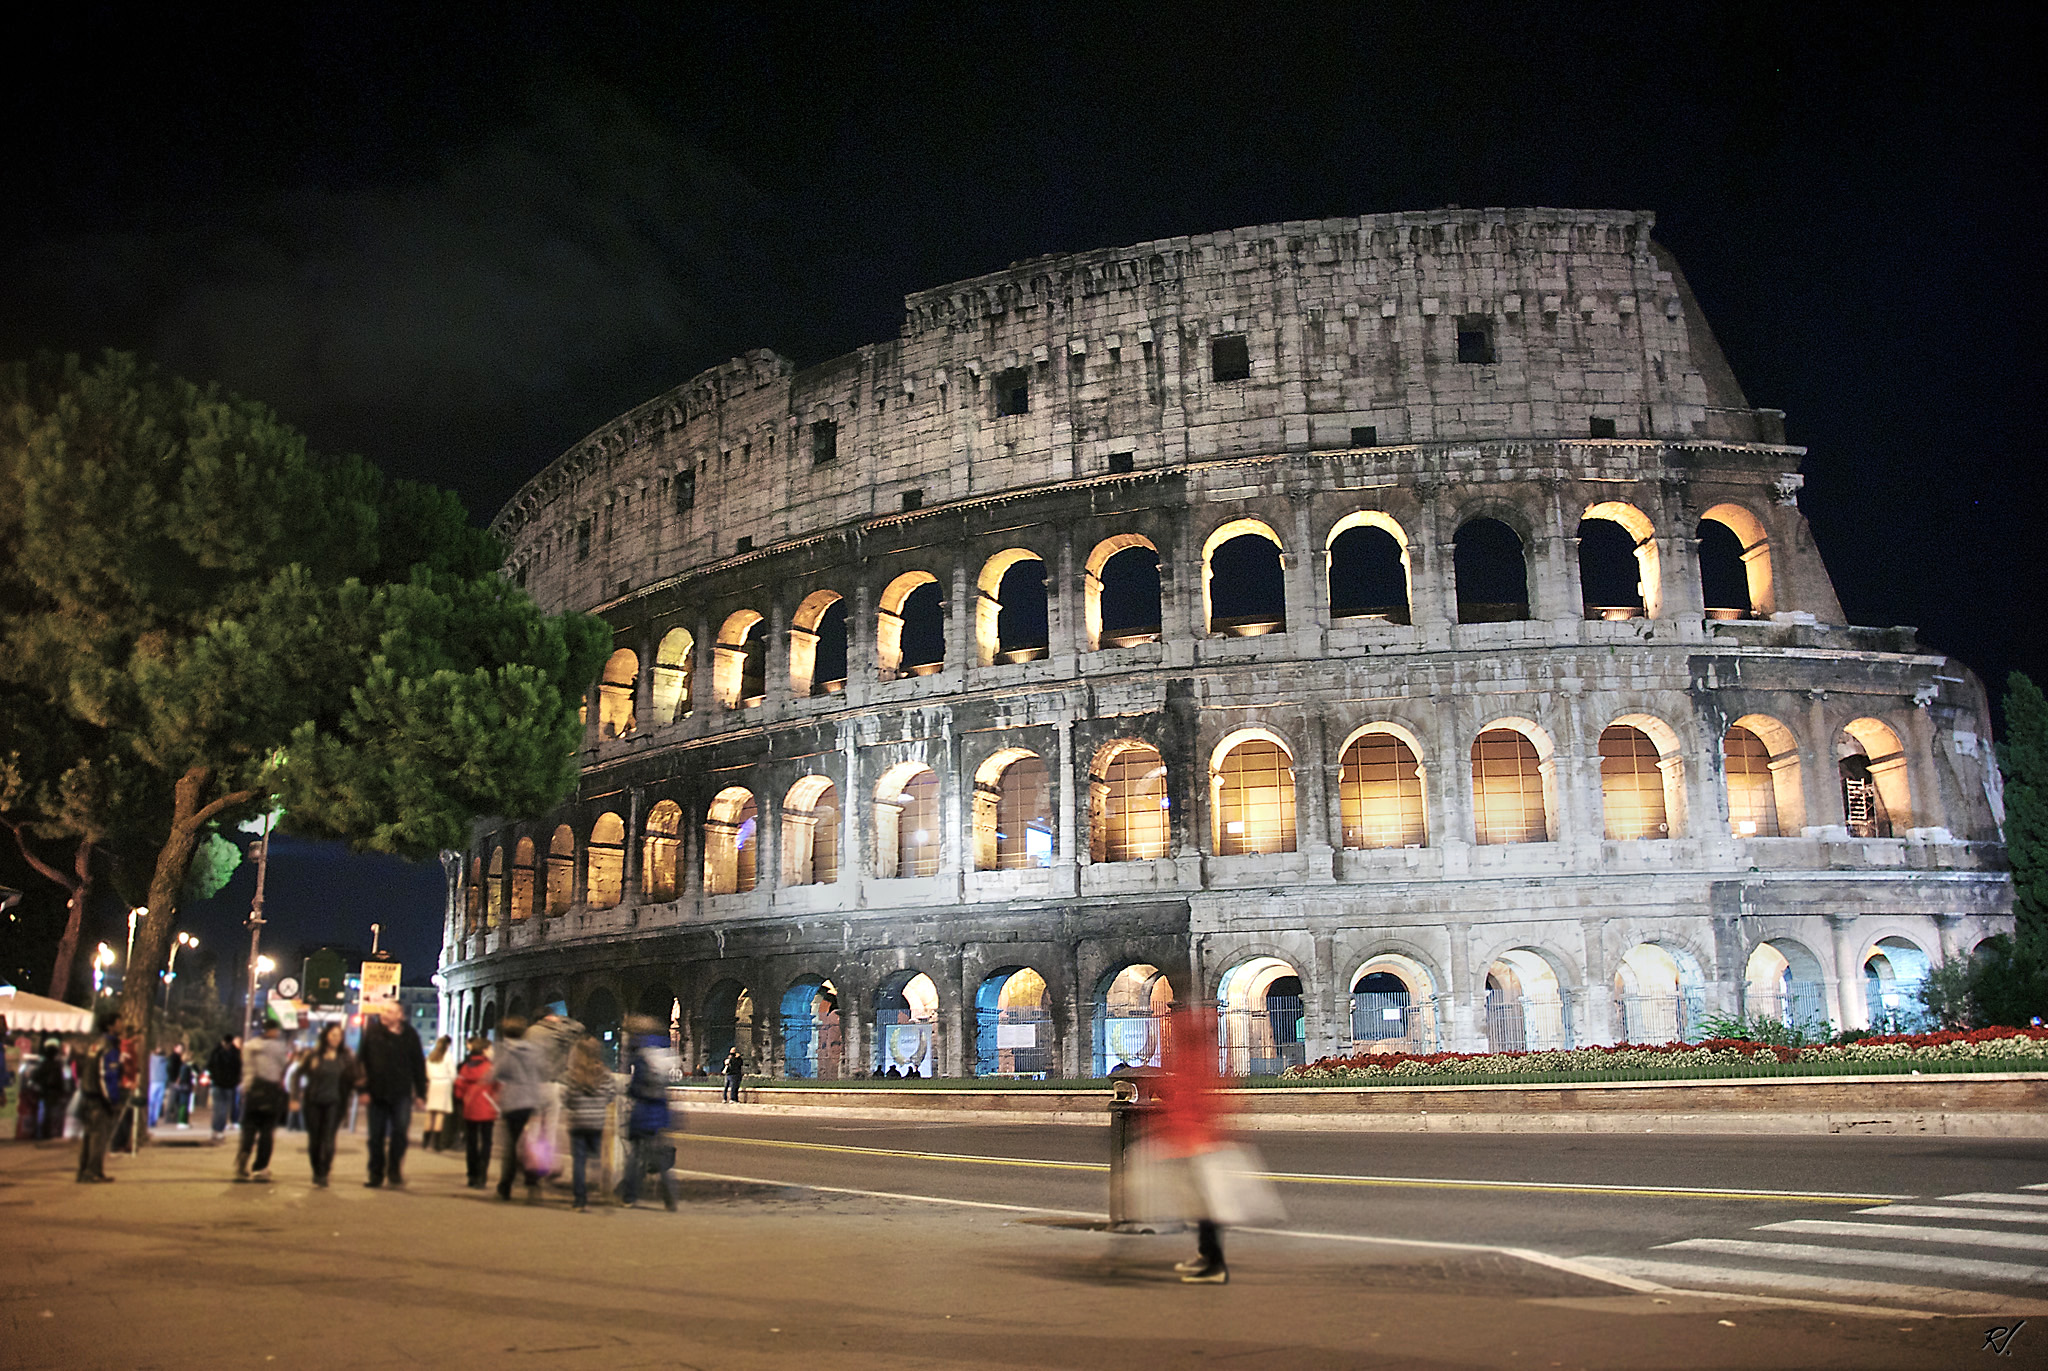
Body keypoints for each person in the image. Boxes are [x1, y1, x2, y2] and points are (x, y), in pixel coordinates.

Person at [1157, 1004, 1228, 1283]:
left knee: (1203, 1204)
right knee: (1199, 1204)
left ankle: (1213, 1263)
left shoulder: (1192, 1060)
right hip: (1194, 1139)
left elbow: (1194, 1102)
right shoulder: (1195, 1059)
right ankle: (1206, 1256)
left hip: (1195, 1141)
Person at [357, 1001, 428, 1189]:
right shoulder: (372, 1032)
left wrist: (421, 1094)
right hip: (376, 1092)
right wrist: (362, 1090)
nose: (384, 1014)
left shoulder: (409, 1035)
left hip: (401, 1093)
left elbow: (418, 1065)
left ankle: (394, 1170)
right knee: (376, 1137)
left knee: (400, 1133)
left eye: (389, 1011)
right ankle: (375, 1174)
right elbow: (361, 1062)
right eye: (383, 1010)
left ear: (400, 1015)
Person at [619, 1014, 679, 1211]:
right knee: (659, 1156)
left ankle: (629, 1195)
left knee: (635, 1156)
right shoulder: (665, 1051)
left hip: (643, 1112)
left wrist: (630, 1090)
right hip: (661, 1112)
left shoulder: (641, 1053)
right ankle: (670, 1196)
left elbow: (638, 1086)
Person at [492, 1017, 547, 1202]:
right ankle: (532, 1180)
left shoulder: (506, 1050)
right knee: (526, 1144)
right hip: (531, 1100)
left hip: (513, 1102)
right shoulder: (533, 1051)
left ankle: (505, 1185)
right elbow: (538, 1073)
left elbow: (497, 1073)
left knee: (511, 1145)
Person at [296, 1023, 358, 1187]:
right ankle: (316, 1170)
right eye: (333, 1035)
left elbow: (354, 1078)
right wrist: (294, 1098)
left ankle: (325, 1171)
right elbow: (297, 1075)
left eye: (339, 1035)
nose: (336, 1038)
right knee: (315, 1140)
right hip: (313, 1102)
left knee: (329, 1138)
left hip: (335, 1103)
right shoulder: (314, 1056)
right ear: (326, 1036)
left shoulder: (345, 1058)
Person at [562, 1035, 616, 1212]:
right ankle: (600, 1190)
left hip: (578, 1122)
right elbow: (610, 1094)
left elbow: (566, 1098)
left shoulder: (573, 1075)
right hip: (596, 1122)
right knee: (596, 1158)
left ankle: (580, 1199)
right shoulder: (605, 1074)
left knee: (579, 1161)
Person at [236, 1015, 292, 1182]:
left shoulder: (250, 1046)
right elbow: (283, 1065)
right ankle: (260, 1167)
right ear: (273, 1031)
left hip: (254, 1090)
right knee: (267, 1131)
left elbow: (247, 1069)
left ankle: (245, 1153)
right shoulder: (278, 1048)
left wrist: (246, 1088)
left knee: (249, 1128)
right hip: (271, 1091)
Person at [75, 1012, 127, 1182]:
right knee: (98, 1136)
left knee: (89, 1135)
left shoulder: (95, 1044)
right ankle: (92, 1171)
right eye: (119, 1022)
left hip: (88, 1095)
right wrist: (112, 1100)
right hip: (99, 1099)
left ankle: (85, 1170)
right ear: (111, 1026)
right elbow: (106, 1076)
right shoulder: (108, 1047)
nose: (122, 1025)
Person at [452, 1036, 497, 1188]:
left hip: (469, 1109)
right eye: (490, 1048)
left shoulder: (466, 1067)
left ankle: (472, 1175)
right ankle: (482, 1175)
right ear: (484, 1050)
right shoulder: (490, 1067)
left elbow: (458, 1088)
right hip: (487, 1109)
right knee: (486, 1143)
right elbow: (498, 1087)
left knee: (471, 1143)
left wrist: (463, 1098)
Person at [33, 1038, 71, 1141]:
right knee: (52, 1114)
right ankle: (50, 1133)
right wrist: (62, 1091)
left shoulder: (43, 1064)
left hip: (45, 1092)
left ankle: (45, 1133)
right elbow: (60, 1079)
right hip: (53, 1092)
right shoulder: (56, 1065)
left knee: (47, 1113)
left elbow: (35, 1077)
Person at [422, 1036, 456, 1151]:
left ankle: (425, 1142)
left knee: (429, 1114)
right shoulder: (447, 1056)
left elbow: (427, 1072)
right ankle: (436, 1144)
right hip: (444, 1084)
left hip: (433, 1084)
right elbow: (453, 1073)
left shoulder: (431, 1056)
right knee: (439, 1115)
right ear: (447, 1045)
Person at [207, 1034, 242, 1141]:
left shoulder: (216, 1052)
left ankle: (216, 1130)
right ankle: (219, 1130)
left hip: (219, 1084)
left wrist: (213, 1077)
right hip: (227, 1085)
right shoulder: (235, 1054)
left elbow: (210, 1066)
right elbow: (238, 1068)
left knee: (219, 1109)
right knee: (222, 1109)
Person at [166, 1046, 194, 1128]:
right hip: (184, 1087)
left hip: (181, 1086)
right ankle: (181, 1121)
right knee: (182, 1104)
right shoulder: (184, 1067)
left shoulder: (183, 1066)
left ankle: (180, 1120)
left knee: (180, 1103)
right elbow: (183, 1077)